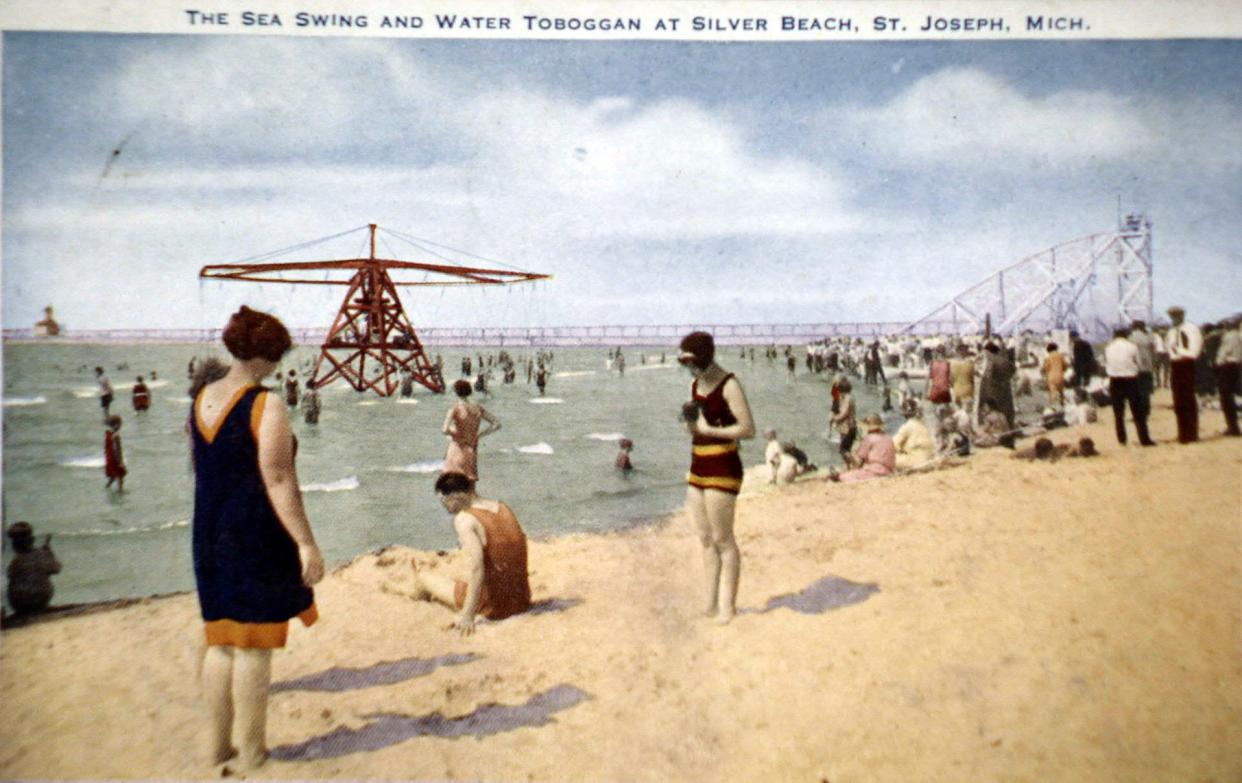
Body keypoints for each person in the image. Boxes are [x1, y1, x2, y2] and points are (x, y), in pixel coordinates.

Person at [189, 306, 325, 769]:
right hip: (253, 532)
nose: (278, 366)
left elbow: (203, 468)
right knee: (254, 646)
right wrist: (306, 542)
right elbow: (280, 480)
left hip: (208, 531)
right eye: (277, 356)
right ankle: (251, 752)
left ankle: (214, 747)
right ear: (265, 355)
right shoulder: (264, 403)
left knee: (221, 641)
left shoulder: (201, 397)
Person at [680, 331, 755, 625]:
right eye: (685, 362)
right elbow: (700, 426)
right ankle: (710, 603)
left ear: (704, 357)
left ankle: (728, 606)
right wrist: (692, 426)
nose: (688, 367)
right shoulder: (695, 384)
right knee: (705, 539)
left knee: (724, 539)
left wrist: (708, 430)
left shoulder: (729, 384)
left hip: (723, 464)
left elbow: (747, 428)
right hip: (698, 462)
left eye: (691, 361)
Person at [405, 471, 531, 635]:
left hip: (494, 607)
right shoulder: (503, 507)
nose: (447, 508)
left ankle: (411, 593)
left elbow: (477, 569)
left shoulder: (465, 519)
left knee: (424, 577)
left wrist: (467, 615)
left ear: (458, 495)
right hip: (521, 600)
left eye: (446, 501)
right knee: (460, 579)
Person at [1104, 326, 1156, 447]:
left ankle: (1122, 439)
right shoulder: (1132, 347)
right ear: (1127, 335)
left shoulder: (1109, 348)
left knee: (1118, 413)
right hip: (1130, 379)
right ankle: (1144, 438)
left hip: (1115, 380)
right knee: (1138, 412)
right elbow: (1139, 363)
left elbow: (1108, 363)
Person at [442, 379, 500, 482]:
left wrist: (454, 433)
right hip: (472, 450)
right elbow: (496, 424)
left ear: (456, 392)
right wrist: (480, 435)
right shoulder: (477, 407)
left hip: (457, 448)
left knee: (451, 487)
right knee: (469, 488)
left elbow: (444, 430)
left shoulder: (455, 408)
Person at [5, 522, 61, 615]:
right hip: (39, 603)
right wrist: (49, 554)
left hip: (18, 606)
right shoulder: (41, 555)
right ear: (32, 540)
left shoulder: (15, 562)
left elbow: (10, 576)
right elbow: (56, 568)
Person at [1166, 306, 1203, 443]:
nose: (1173, 319)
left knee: (1188, 399)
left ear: (1182, 315)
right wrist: (1173, 352)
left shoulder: (1191, 329)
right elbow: (1169, 349)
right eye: (1171, 316)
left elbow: (1194, 352)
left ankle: (1191, 434)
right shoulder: (1171, 331)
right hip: (1175, 365)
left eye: (1176, 316)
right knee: (1178, 401)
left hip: (1187, 364)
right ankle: (1182, 434)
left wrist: (1178, 350)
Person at [831, 413, 895, 483]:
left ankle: (838, 476)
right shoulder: (888, 437)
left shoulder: (869, 438)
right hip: (889, 470)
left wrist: (847, 455)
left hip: (875, 471)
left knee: (846, 476)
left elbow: (858, 463)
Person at [1214, 317, 1241, 437]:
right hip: (1234, 365)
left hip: (1228, 366)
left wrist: (1218, 362)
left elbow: (1224, 352)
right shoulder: (1236, 335)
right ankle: (1233, 426)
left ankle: (1233, 427)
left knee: (1226, 397)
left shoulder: (1230, 336)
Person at [978, 342, 1016, 430]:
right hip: (1006, 388)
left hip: (995, 389)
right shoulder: (1003, 360)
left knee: (996, 410)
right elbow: (1013, 370)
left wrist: (984, 393)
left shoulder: (991, 361)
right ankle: (1010, 427)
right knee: (1007, 410)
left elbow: (988, 376)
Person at [893, 400, 935, 471]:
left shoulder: (907, 426)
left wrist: (900, 450)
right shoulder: (924, 424)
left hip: (917, 462)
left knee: (890, 458)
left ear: (904, 414)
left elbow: (894, 444)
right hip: (930, 459)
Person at [831, 377, 858, 462]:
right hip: (851, 426)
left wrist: (834, 418)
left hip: (847, 427)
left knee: (843, 450)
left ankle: (854, 463)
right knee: (846, 448)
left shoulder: (847, 398)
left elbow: (844, 413)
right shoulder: (851, 397)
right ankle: (849, 465)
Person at [949, 344, 976, 410]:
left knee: (958, 413)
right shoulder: (970, 363)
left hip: (957, 390)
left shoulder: (952, 364)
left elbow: (951, 380)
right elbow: (972, 378)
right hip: (968, 391)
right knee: (967, 414)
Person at [104, 415, 126, 491]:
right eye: (120, 424)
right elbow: (118, 450)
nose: (121, 426)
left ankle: (107, 488)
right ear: (116, 424)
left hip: (111, 459)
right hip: (116, 460)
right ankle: (120, 492)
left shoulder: (109, 434)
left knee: (113, 477)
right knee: (120, 478)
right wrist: (120, 462)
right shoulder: (116, 436)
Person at [1041, 343, 1067, 408]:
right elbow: (1065, 366)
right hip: (1060, 376)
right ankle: (1062, 406)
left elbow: (1045, 368)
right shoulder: (1061, 356)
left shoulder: (1048, 357)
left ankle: (1053, 407)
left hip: (1051, 376)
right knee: (1061, 393)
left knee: (1052, 393)